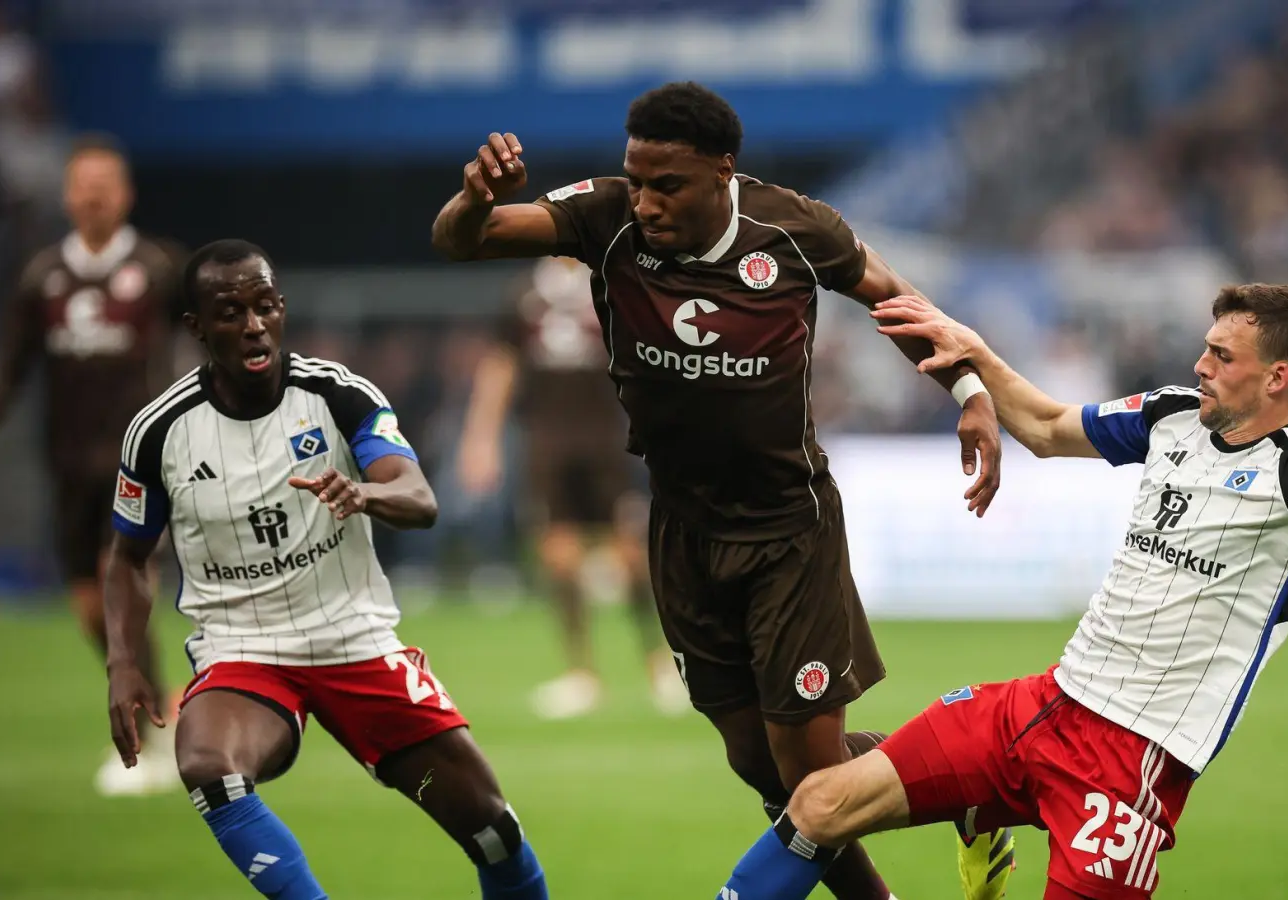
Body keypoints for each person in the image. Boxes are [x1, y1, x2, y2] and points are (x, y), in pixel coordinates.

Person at [712, 283, 1288, 900]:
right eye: (1204, 347)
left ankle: (982, 825)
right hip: (1044, 705)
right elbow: (1050, 429)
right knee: (820, 802)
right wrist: (971, 353)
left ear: (1277, 378)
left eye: (1221, 355)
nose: (1199, 363)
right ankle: (984, 813)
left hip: (1131, 766)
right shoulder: (1170, 417)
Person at [433, 81, 1013, 900]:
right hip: (684, 532)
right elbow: (463, 240)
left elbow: (895, 299)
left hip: (788, 532)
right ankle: (970, 783)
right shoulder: (604, 219)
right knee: (759, 765)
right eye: (636, 179)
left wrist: (971, 395)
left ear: (722, 172)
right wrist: (472, 198)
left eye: (666, 184)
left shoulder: (795, 229)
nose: (645, 201)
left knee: (811, 780)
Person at [102, 240, 548, 900]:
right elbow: (128, 558)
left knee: (491, 830)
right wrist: (123, 662)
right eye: (231, 312)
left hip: (353, 639)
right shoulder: (159, 430)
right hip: (243, 649)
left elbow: (420, 497)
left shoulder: (337, 394)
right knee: (205, 764)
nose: (254, 325)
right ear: (196, 328)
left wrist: (365, 493)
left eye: (266, 306)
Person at [0, 134, 183, 796]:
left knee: (120, 584)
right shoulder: (43, 276)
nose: (94, 194)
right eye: (83, 183)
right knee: (89, 607)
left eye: (106, 183)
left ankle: (145, 738)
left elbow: (209, 333)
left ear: (124, 194)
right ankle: (162, 695)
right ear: (69, 195)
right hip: (67, 462)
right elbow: (14, 357)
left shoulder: (157, 268)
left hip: (137, 464)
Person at [457, 257, 688, 719]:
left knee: (630, 554)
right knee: (558, 553)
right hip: (547, 440)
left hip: (607, 438)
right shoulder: (526, 293)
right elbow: (501, 365)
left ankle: (662, 665)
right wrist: (480, 437)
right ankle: (583, 675)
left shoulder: (614, 284)